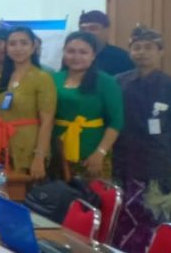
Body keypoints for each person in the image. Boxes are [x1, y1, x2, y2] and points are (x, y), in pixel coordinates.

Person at [111, 26, 171, 253]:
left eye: (148, 47)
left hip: (156, 161)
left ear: (160, 51)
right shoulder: (118, 82)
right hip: (122, 158)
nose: (142, 52)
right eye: (136, 48)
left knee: (155, 215)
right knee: (122, 215)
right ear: (130, 51)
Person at [51, 31, 123, 180]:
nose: (76, 57)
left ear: (93, 55)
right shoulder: (53, 79)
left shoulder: (106, 81)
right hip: (57, 149)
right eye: (71, 51)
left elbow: (116, 122)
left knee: (91, 193)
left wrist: (100, 153)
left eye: (83, 52)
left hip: (92, 151)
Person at [0, 27, 56, 178]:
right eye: (13, 44)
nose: (18, 48)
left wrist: (39, 156)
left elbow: (47, 121)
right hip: (3, 146)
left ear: (33, 47)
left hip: (29, 147)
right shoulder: (0, 79)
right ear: (6, 48)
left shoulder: (42, 78)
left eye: (24, 43)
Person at [78, 10, 134, 76]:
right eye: (83, 29)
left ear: (106, 30)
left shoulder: (123, 58)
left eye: (93, 28)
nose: (87, 33)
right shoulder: (74, 57)